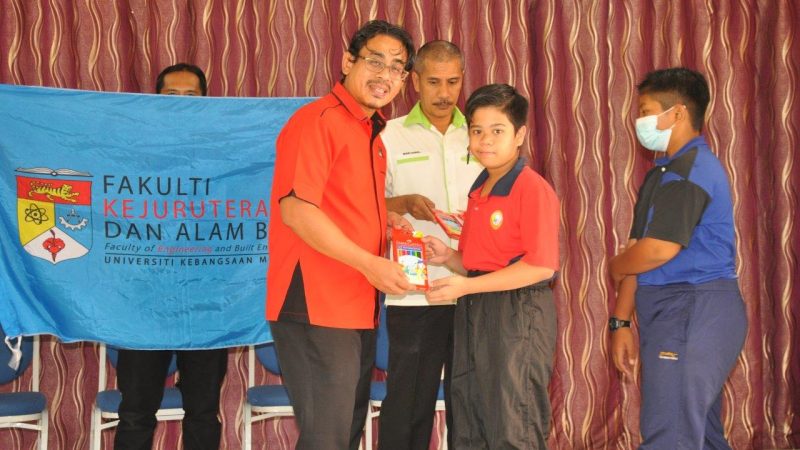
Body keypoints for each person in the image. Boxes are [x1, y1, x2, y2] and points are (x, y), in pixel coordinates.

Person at [265, 20, 415, 450]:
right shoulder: (318, 120)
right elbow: (297, 210)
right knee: (327, 439)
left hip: (356, 305)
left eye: (397, 68)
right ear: (348, 61)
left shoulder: (372, 133)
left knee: (343, 434)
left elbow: (339, 204)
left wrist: (386, 222)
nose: (385, 75)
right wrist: (370, 263)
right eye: (375, 61)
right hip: (316, 302)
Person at [608, 67, 747, 449]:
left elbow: (656, 250)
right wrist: (620, 322)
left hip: (695, 307)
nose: (639, 121)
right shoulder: (660, 175)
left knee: (670, 436)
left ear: (678, 113)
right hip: (672, 313)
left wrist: (614, 265)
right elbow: (639, 249)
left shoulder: (692, 169)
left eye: (646, 111)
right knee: (699, 435)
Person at [424, 83, 560, 449]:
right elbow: (478, 265)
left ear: (520, 135)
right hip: (476, 309)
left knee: (512, 421)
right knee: (470, 417)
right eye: (477, 130)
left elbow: (540, 267)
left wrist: (467, 286)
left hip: (518, 313)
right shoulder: (480, 189)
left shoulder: (531, 188)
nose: (485, 140)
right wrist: (447, 256)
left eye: (497, 131)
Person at [114, 63, 229, 450]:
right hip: (144, 301)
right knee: (135, 412)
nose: (181, 104)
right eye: (171, 96)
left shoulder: (227, 153)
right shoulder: (132, 153)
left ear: (206, 102)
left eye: (191, 96)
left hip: (206, 300)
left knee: (203, 411)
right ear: (155, 100)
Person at [379, 40, 482, 450]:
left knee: (471, 403)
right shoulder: (389, 135)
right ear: (415, 81)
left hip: (474, 286)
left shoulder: (480, 134)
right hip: (414, 289)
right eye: (434, 82)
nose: (444, 93)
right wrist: (401, 203)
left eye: (453, 82)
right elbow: (365, 203)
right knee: (408, 403)